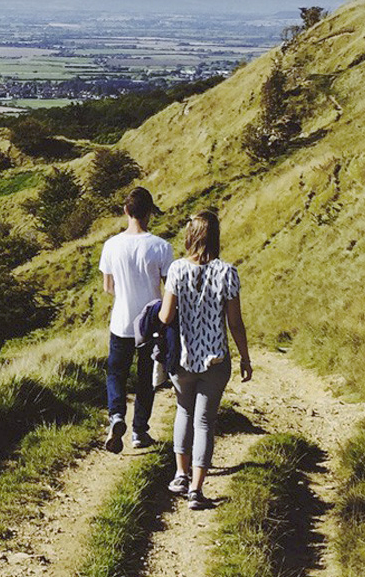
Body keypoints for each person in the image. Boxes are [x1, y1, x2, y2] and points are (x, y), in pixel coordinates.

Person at [159, 210, 252, 509]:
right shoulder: (228, 272)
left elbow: (166, 316)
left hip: (183, 358)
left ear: (191, 235)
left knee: (183, 412)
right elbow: (235, 323)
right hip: (215, 359)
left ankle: (180, 474)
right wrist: (245, 358)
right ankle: (196, 490)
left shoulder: (176, 270)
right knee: (204, 422)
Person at [98, 187, 174, 453]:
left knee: (116, 374)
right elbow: (170, 289)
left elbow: (108, 287)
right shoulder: (162, 247)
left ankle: (117, 416)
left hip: (121, 320)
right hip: (151, 323)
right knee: (145, 379)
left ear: (126, 211)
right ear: (150, 213)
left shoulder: (111, 245)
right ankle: (140, 431)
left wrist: (126, 294)